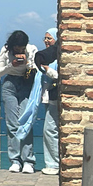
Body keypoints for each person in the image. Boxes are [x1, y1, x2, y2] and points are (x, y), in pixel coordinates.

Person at [0, 30, 38, 174]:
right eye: (17, 49)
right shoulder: (5, 51)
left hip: (26, 84)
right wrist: (11, 65)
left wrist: (27, 63)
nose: (19, 51)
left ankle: (28, 160)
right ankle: (15, 160)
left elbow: (36, 69)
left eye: (21, 48)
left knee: (25, 122)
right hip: (10, 85)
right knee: (12, 123)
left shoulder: (31, 49)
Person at [36, 29, 59, 175]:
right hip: (48, 97)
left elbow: (58, 76)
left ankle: (53, 164)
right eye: (44, 38)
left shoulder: (55, 58)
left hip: (55, 97)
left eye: (49, 38)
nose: (46, 41)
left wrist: (46, 69)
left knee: (50, 130)